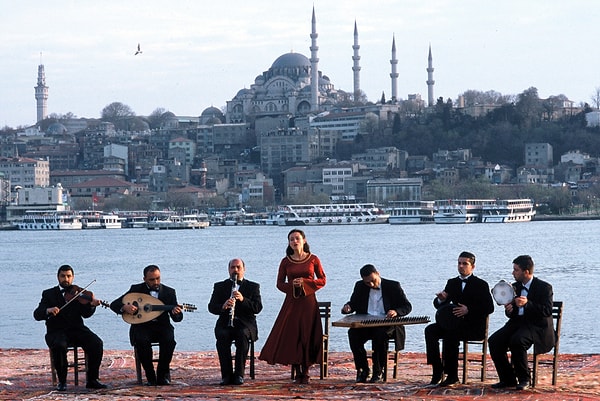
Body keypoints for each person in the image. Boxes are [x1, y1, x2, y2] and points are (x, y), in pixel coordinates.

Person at [259, 229, 326, 384]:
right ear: (289, 243)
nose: (294, 241)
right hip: (292, 302)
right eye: (291, 239)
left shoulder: (313, 259)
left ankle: (307, 371)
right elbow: (279, 284)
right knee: (292, 335)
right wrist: (292, 286)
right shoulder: (286, 261)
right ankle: (297, 370)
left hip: (308, 302)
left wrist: (306, 283)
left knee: (307, 335)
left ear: (304, 240)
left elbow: (322, 280)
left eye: (297, 238)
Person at [424, 251, 494, 386]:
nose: (461, 266)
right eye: (459, 263)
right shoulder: (452, 282)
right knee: (430, 331)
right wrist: (441, 300)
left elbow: (489, 308)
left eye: (465, 264)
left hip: (473, 326)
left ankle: (452, 375)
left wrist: (468, 310)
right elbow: (439, 305)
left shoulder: (481, 284)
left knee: (451, 335)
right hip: (452, 323)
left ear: (472, 267)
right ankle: (437, 370)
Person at [33, 264, 107, 391]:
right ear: (58, 277)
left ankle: (92, 379)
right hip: (56, 331)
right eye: (63, 276)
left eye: (68, 276)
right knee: (59, 346)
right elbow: (37, 314)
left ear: (73, 277)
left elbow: (86, 314)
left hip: (77, 329)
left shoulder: (80, 293)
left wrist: (92, 305)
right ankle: (62, 381)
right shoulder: (48, 294)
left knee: (97, 343)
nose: (66, 279)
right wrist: (48, 310)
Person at [489, 255, 554, 391]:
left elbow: (547, 310)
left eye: (516, 270)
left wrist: (527, 304)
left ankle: (525, 379)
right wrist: (509, 309)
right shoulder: (514, 287)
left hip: (536, 326)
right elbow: (511, 314)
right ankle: (508, 379)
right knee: (494, 341)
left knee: (517, 341)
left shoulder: (544, 287)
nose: (513, 273)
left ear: (526, 272)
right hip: (516, 324)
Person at [110, 264, 183, 386]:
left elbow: (177, 318)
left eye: (158, 278)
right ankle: (150, 376)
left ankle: (162, 375)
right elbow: (114, 304)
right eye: (152, 279)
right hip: (141, 326)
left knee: (169, 341)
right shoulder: (135, 289)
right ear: (144, 279)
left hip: (162, 326)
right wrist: (124, 307)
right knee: (141, 341)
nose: (156, 282)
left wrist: (176, 313)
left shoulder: (169, 292)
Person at [341, 264, 412, 383]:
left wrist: (396, 311)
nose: (371, 285)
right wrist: (347, 308)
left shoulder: (393, 286)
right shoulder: (360, 286)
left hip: (386, 324)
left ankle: (378, 371)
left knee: (380, 335)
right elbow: (353, 303)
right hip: (366, 324)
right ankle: (363, 369)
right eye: (367, 283)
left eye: (373, 281)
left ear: (378, 273)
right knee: (353, 334)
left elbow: (407, 306)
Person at [208, 258, 263, 385]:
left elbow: (257, 308)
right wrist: (223, 306)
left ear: (244, 269)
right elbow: (211, 307)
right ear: (229, 270)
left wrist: (243, 300)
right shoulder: (220, 286)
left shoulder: (253, 286)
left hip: (246, 324)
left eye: (238, 267)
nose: (235, 270)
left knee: (241, 335)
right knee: (222, 336)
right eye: (233, 267)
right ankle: (226, 376)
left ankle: (239, 375)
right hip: (225, 322)